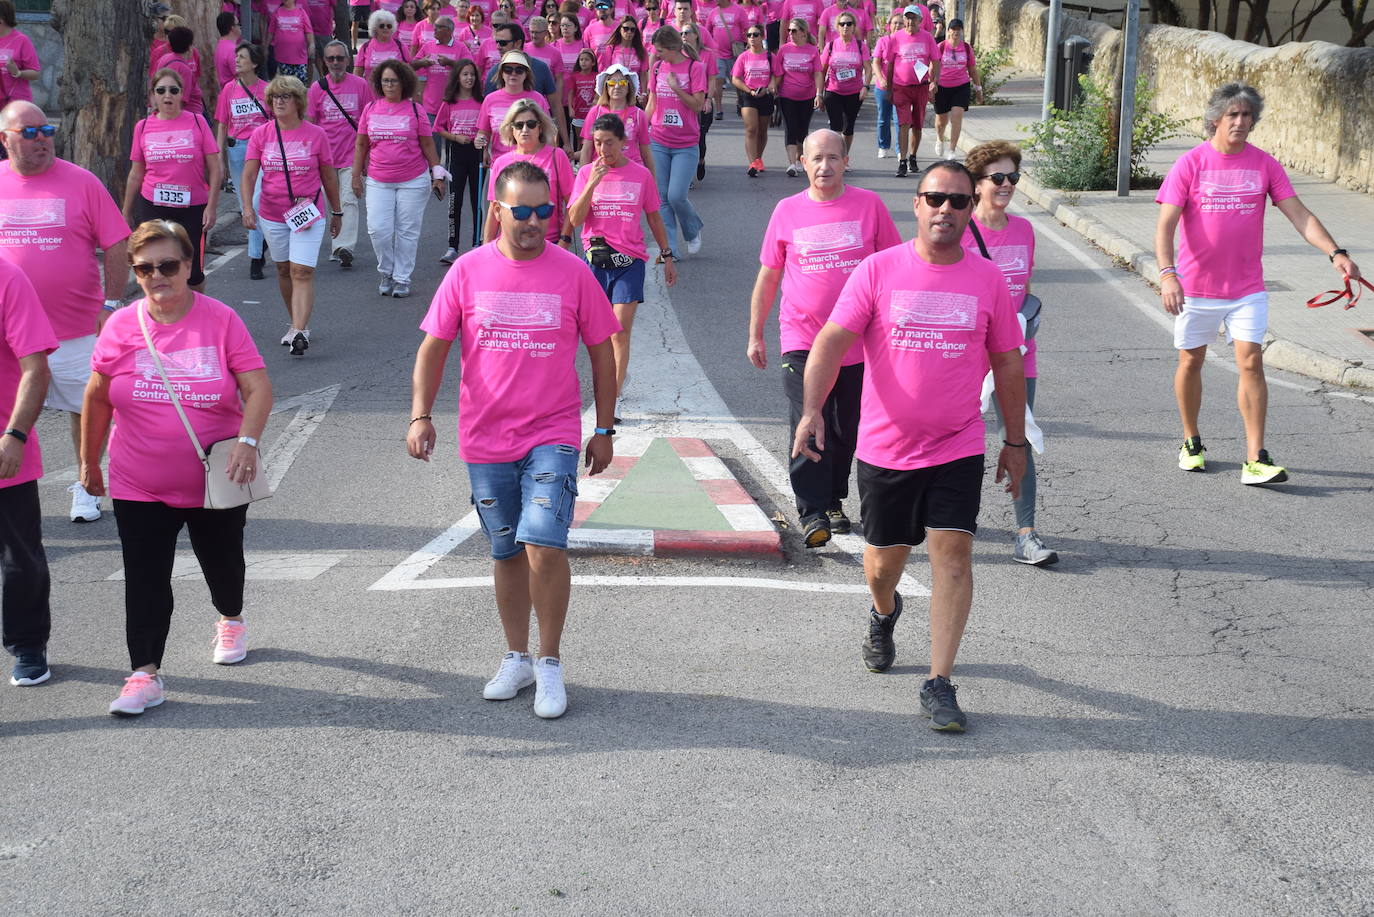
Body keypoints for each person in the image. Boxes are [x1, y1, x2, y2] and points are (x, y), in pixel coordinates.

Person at [791, 161, 1026, 732]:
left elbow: (1008, 362)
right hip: (885, 449)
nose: (946, 209)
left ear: (971, 211)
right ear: (916, 205)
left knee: (953, 557)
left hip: (958, 443)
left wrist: (1015, 442)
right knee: (883, 565)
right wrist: (812, 411)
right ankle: (883, 611)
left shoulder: (987, 279)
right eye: (935, 198)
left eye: (959, 201)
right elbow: (830, 342)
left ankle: (939, 682)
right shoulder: (878, 271)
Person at [407, 160, 620, 720]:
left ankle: (550, 664)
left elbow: (602, 352)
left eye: (543, 211)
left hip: (552, 433)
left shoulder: (573, 272)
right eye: (521, 211)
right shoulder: (467, 272)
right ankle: (517, 657)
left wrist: (603, 428)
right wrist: (420, 415)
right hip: (485, 439)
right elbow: (433, 347)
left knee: (544, 543)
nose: (533, 222)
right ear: (497, 210)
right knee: (505, 551)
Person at [81, 221, 271, 717]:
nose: (156, 276)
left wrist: (248, 443)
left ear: (189, 266)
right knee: (145, 576)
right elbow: (97, 397)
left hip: (213, 480)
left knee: (223, 565)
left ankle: (230, 616)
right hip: (136, 479)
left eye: (167, 265)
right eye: (144, 268)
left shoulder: (222, 320)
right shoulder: (121, 325)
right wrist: (88, 462)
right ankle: (144, 674)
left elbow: (257, 388)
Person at [1155, 83, 1361, 485]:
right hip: (1195, 288)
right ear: (1215, 118)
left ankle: (1256, 457)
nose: (1241, 122)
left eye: (1248, 115)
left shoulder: (1264, 164)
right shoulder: (1191, 163)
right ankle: (1191, 441)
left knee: (1251, 362)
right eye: (1233, 114)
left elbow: (1300, 216)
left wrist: (1337, 254)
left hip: (1247, 288)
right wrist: (1167, 275)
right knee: (1191, 361)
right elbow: (1165, 227)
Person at [750, 129, 899, 546]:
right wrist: (755, 333)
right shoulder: (786, 211)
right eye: (816, 158)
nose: (824, 166)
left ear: (846, 162)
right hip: (802, 338)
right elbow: (769, 275)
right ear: (803, 163)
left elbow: (895, 269)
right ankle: (812, 511)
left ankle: (832, 499)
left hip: (857, 342)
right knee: (807, 417)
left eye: (833, 158)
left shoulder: (870, 206)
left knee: (844, 427)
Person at [0, 102, 129, 524]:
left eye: (47, 130)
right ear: (6, 139)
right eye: (30, 132)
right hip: (9, 336)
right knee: (10, 410)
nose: (42, 139)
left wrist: (111, 303)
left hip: (74, 327)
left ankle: (86, 483)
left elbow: (115, 242)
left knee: (85, 407)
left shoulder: (82, 182)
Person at [962, 140, 1055, 565]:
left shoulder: (1024, 231)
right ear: (977, 184)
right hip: (965, 354)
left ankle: (1026, 534)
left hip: (1017, 353)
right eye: (997, 178)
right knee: (953, 440)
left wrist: (1024, 324)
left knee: (1018, 437)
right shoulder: (958, 231)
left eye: (1012, 178)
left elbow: (1025, 287)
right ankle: (950, 517)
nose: (1006, 185)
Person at [568, 111, 678, 403]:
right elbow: (576, 219)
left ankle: (612, 397)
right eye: (598, 143)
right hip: (596, 263)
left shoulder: (640, 175)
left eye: (610, 143)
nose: (604, 150)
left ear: (623, 142)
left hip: (629, 263)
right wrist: (592, 183)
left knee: (618, 332)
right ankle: (616, 374)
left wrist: (667, 255)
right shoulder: (584, 173)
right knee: (598, 335)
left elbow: (654, 218)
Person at [242, 76, 342, 356]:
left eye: (286, 97)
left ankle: (299, 331)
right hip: (272, 214)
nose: (280, 102)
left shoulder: (316, 135)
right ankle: (298, 322)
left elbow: (328, 177)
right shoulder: (261, 134)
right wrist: (247, 208)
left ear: (298, 102)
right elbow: (249, 174)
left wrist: (337, 211)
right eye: (275, 97)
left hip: (308, 212)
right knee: (284, 269)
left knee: (302, 270)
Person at [0, 255, 56, 687]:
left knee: (20, 559)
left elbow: (35, 366)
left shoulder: (8, 278)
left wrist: (15, 434)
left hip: (4, 447)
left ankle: (28, 643)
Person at [122, 69, 223, 293]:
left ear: (182, 94)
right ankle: (162, 314)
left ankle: (195, 314)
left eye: (173, 90)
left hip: (192, 206)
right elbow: (136, 173)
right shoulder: (143, 127)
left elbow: (215, 168)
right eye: (161, 90)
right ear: (153, 96)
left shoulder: (197, 122)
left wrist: (212, 206)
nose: (167, 95)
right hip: (153, 204)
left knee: (192, 271)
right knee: (154, 264)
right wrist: (126, 211)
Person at [354, 59, 445, 298]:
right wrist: (355, 175)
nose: (390, 85)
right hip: (378, 179)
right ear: (378, 82)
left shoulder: (416, 110)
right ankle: (387, 270)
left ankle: (402, 278)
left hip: (413, 180)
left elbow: (427, 143)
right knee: (378, 229)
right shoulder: (371, 109)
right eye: (385, 80)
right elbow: (361, 143)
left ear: (403, 82)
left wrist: (437, 173)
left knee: (407, 231)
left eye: (394, 80)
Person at [308, 41, 373, 270]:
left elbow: (368, 123)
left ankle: (344, 247)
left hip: (351, 155)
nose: (335, 62)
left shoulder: (360, 85)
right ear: (324, 62)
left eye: (340, 58)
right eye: (331, 58)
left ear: (348, 60)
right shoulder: (317, 88)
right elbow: (309, 124)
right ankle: (336, 242)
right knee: (329, 203)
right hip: (324, 159)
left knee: (349, 200)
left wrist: (366, 158)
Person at [646, 27, 706, 257]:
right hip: (658, 140)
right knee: (662, 198)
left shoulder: (695, 67)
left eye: (660, 51)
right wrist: (640, 130)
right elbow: (652, 103)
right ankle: (669, 249)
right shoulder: (657, 67)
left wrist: (676, 88)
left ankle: (692, 230)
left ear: (673, 49)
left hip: (686, 144)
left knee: (676, 195)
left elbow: (697, 105)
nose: (656, 55)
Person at [482, 97, 573, 245]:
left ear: (540, 127)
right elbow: (494, 213)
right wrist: (486, 251)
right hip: (511, 246)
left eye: (531, 124)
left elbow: (572, 204)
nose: (525, 130)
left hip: (550, 243)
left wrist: (564, 241)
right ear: (511, 129)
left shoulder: (557, 156)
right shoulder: (500, 163)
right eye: (519, 125)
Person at [217, 43, 271, 280]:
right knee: (245, 206)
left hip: (262, 151)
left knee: (256, 203)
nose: (237, 60)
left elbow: (274, 123)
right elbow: (221, 124)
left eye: (242, 57)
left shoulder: (266, 89)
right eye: (236, 56)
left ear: (255, 63)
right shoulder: (228, 89)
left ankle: (255, 258)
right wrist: (220, 159)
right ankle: (263, 243)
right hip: (237, 151)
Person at [482, 23, 569, 141]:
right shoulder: (494, 72)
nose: (498, 46)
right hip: (502, 151)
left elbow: (555, 106)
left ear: (518, 43)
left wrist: (566, 141)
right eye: (496, 42)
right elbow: (487, 119)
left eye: (503, 43)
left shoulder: (541, 68)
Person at [434, 58, 484, 262]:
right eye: (465, 74)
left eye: (472, 74)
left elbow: (488, 127)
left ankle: (477, 244)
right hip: (457, 154)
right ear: (458, 77)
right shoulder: (449, 102)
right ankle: (452, 247)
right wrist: (455, 137)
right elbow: (438, 128)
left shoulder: (482, 100)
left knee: (476, 200)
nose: (469, 78)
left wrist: (482, 138)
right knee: (455, 201)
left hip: (477, 154)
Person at [882, 4, 938, 177]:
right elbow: (890, 65)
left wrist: (934, 82)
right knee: (904, 123)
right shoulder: (895, 38)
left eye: (913, 18)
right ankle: (902, 161)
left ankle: (913, 156)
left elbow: (936, 61)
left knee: (918, 124)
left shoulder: (928, 38)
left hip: (921, 87)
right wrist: (889, 89)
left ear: (920, 20)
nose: (909, 21)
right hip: (901, 87)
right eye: (907, 17)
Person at [476, 50, 550, 159]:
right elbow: (483, 132)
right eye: (508, 69)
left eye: (519, 70)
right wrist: (481, 143)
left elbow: (548, 133)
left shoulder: (538, 99)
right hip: (499, 162)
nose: (513, 73)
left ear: (526, 74)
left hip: (532, 162)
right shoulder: (490, 99)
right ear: (501, 73)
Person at [579, 63, 652, 170]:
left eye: (622, 82)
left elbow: (646, 152)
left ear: (629, 87)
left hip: (631, 172)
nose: (617, 87)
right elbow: (586, 150)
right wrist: (584, 178)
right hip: (602, 170)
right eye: (612, 83)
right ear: (606, 87)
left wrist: (653, 181)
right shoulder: (595, 112)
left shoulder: (639, 114)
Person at [817, 9, 869, 155]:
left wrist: (865, 86)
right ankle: (836, 156)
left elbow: (868, 68)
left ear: (853, 27)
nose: (845, 26)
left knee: (848, 127)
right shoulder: (831, 45)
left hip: (854, 92)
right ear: (837, 27)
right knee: (836, 126)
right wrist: (819, 94)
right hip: (833, 90)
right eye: (842, 24)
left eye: (849, 23)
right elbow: (821, 71)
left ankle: (844, 156)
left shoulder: (860, 46)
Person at [773, 18, 819, 177]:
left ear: (804, 32)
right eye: (789, 30)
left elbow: (818, 73)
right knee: (790, 128)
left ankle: (801, 159)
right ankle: (792, 164)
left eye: (794, 30)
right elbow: (778, 73)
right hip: (787, 95)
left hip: (808, 95)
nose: (790, 33)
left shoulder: (813, 50)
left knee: (802, 130)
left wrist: (819, 94)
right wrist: (773, 86)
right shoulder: (784, 50)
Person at [730, 25, 775, 177]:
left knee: (762, 131)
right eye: (749, 35)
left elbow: (777, 75)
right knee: (751, 129)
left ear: (762, 37)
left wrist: (770, 86)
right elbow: (735, 79)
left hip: (766, 94)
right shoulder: (744, 57)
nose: (752, 38)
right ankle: (752, 163)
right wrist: (748, 90)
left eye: (755, 35)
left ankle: (758, 158)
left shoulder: (769, 56)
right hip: (749, 95)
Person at [932, 18, 978, 160]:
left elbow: (972, 69)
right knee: (941, 120)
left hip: (961, 86)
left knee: (957, 116)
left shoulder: (966, 48)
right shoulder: (940, 47)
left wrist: (978, 88)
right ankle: (940, 139)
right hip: (943, 86)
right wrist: (932, 83)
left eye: (959, 29)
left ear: (962, 31)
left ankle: (952, 149)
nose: (956, 32)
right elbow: (933, 67)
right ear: (948, 31)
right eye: (953, 29)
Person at [871, 10, 903, 160]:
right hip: (883, 86)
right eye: (895, 23)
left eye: (901, 23)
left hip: (900, 87)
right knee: (883, 118)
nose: (898, 25)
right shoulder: (883, 41)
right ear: (889, 25)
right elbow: (875, 63)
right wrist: (881, 78)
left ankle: (900, 149)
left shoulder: (906, 42)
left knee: (899, 119)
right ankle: (883, 146)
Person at [154, 25, 206, 116]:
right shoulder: (184, 70)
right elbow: (181, 101)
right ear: (189, 48)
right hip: (189, 117)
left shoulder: (164, 59)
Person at [0, 1, 39, 110]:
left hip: (16, 106)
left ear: (1, 19)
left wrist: (17, 72)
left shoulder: (22, 40)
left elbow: (35, 73)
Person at [268, 0, 315, 80]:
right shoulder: (277, 12)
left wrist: (311, 44)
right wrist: (266, 46)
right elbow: (271, 32)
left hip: (299, 58)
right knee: (285, 86)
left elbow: (308, 31)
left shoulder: (301, 12)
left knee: (299, 85)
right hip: (282, 58)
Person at [355, 10, 410, 76]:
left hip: (395, 85)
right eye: (382, 26)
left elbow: (408, 70)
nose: (386, 28)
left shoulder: (400, 46)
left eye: (389, 26)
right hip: (370, 86)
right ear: (375, 28)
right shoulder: (365, 47)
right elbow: (357, 72)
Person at [214, 11, 242, 88]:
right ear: (232, 28)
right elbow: (242, 76)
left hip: (226, 91)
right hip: (234, 94)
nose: (240, 27)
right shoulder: (232, 50)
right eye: (238, 24)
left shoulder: (220, 45)